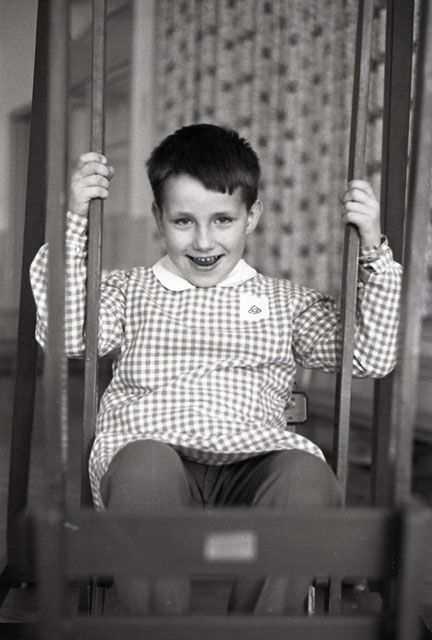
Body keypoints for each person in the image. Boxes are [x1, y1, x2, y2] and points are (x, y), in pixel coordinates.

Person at [30, 123, 402, 616]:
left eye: (223, 219)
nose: (204, 241)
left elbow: (370, 356)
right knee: (143, 468)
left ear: (252, 217)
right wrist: (75, 219)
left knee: (308, 478)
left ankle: (258, 631)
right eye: (183, 221)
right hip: (153, 456)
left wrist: (372, 250)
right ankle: (161, 631)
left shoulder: (285, 302)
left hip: (254, 464)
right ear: (158, 218)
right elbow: (69, 336)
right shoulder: (127, 290)